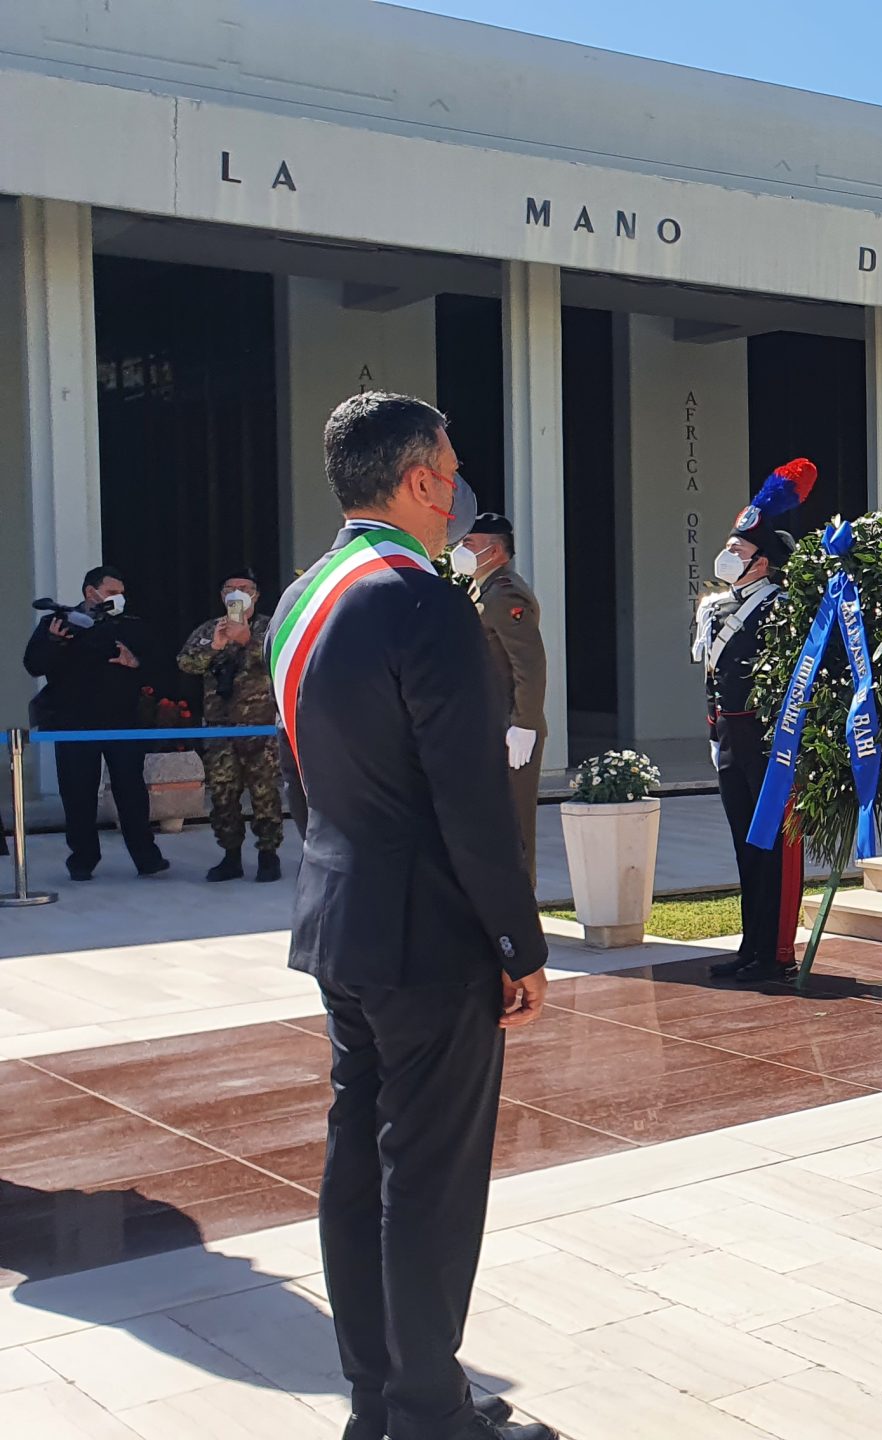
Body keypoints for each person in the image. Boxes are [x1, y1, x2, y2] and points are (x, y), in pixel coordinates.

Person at [274, 391, 551, 1440]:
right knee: (428, 1187)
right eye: (451, 470)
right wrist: (518, 945)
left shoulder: (308, 595)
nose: (459, 494)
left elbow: (304, 776)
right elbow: (472, 801)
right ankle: (432, 1416)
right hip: (428, 940)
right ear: (421, 479)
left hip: (341, 919)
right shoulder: (422, 600)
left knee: (360, 1170)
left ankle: (377, 1398)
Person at [694, 459, 814, 985]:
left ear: (762, 563)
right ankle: (751, 945)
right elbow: (711, 680)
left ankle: (777, 951)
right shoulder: (718, 609)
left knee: (775, 851)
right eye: (730, 548)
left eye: (740, 551)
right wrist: (715, 730)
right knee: (745, 846)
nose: (729, 557)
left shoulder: (780, 609)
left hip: (771, 742)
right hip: (731, 740)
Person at [22, 564, 169, 881]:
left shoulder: (131, 626)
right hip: (73, 724)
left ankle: (146, 857)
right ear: (91, 592)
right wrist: (53, 642)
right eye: (113, 592)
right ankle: (83, 859)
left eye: (121, 593)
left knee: (131, 792)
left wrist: (136, 662)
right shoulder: (57, 623)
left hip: (122, 722)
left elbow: (160, 669)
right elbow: (34, 665)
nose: (119, 598)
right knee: (77, 794)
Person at [451, 515, 546, 879]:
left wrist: (525, 723)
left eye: (470, 545)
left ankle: (521, 915)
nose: (461, 551)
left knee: (513, 829)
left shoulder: (505, 593)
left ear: (496, 551)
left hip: (511, 729)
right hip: (488, 725)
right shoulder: (482, 590)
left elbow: (529, 664)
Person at [175, 569, 285, 882]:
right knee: (223, 795)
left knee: (265, 795)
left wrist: (248, 640)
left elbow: (277, 659)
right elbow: (186, 663)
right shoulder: (210, 629)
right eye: (230, 588)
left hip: (261, 728)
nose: (237, 593)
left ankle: (268, 854)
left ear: (256, 594)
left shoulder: (270, 627)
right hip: (220, 729)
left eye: (244, 588)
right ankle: (230, 856)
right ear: (223, 596)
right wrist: (216, 645)